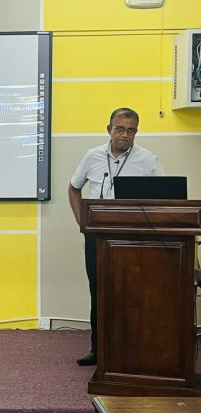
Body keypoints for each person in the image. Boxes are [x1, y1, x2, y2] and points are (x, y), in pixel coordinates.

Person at [68, 107, 165, 366]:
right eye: (119, 129)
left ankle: (132, 350)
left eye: (131, 130)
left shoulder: (148, 159)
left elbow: (166, 195)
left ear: (136, 132)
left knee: (132, 293)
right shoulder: (92, 156)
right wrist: (82, 221)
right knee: (99, 291)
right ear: (109, 129)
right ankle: (98, 350)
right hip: (97, 235)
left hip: (133, 238)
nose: (125, 134)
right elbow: (74, 188)